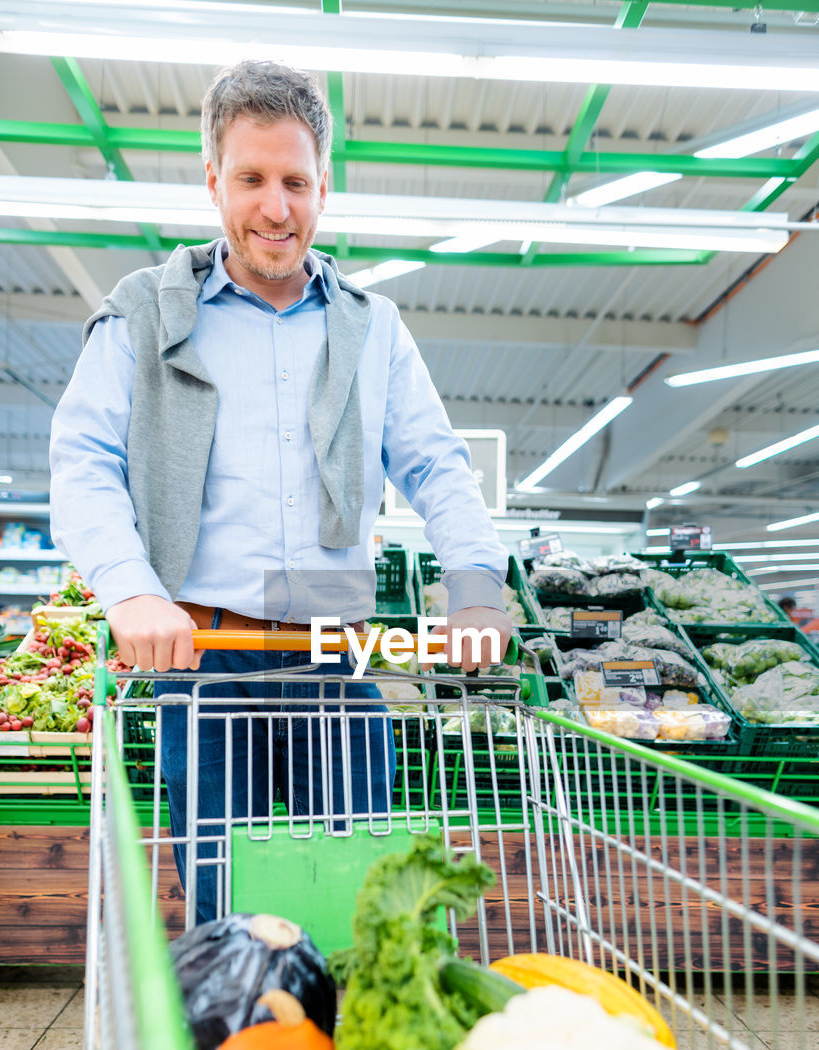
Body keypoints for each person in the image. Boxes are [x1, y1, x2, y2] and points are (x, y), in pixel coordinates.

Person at [49, 59, 512, 922]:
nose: (275, 207)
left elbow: (436, 462)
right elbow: (82, 461)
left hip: (339, 660)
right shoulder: (143, 314)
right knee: (237, 922)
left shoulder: (371, 327)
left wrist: (478, 592)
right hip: (207, 665)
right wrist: (132, 589)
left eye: (295, 182)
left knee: (358, 917)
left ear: (324, 189)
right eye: (252, 179)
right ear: (213, 181)